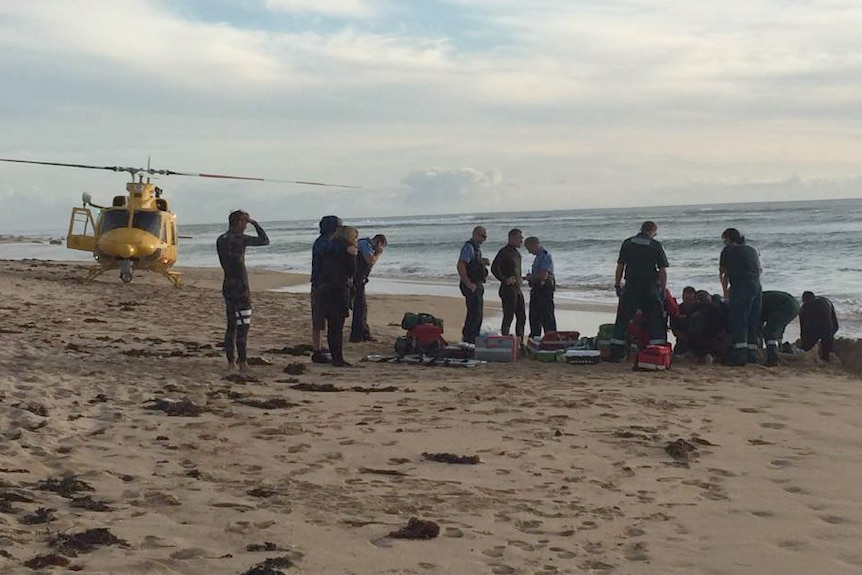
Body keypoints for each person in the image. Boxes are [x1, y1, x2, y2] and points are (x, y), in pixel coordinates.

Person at [216, 210, 270, 373]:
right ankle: (243, 361)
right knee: (243, 325)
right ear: (240, 222)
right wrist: (256, 224)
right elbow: (264, 240)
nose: (246, 226)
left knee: (231, 325)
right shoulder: (240, 238)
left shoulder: (221, 239)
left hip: (228, 283)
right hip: (240, 285)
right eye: (245, 223)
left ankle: (231, 361)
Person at [609, 221, 669, 361]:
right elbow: (662, 271)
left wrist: (617, 284)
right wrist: (663, 290)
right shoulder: (655, 245)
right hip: (649, 286)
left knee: (623, 319)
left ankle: (616, 352)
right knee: (655, 319)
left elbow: (620, 266)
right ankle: (657, 351)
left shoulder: (628, 243)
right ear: (652, 231)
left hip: (631, 285)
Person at [719, 227, 762, 366]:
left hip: (740, 285)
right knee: (752, 319)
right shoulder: (752, 250)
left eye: (724, 239)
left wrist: (725, 292)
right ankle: (752, 354)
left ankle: (740, 355)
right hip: (756, 285)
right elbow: (760, 269)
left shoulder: (728, 250)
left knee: (739, 319)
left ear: (728, 238)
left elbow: (723, 273)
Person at [319, 225, 359, 367]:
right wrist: (353, 256)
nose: (356, 240)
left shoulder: (328, 247)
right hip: (339, 288)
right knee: (338, 325)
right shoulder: (348, 249)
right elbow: (351, 271)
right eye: (355, 237)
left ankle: (335, 356)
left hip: (325, 287)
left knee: (332, 325)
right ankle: (338, 359)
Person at [310, 216, 344, 364]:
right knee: (321, 320)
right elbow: (339, 249)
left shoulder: (321, 241)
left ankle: (318, 348)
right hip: (322, 285)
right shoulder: (325, 243)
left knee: (319, 319)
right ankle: (317, 350)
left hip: (317, 284)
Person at [349, 234, 388, 343]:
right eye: (382, 246)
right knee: (359, 307)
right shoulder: (365, 245)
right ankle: (358, 336)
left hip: (358, 279)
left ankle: (363, 332)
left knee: (361, 307)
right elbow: (370, 261)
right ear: (379, 242)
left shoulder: (364, 244)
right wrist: (378, 253)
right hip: (356, 279)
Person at [490, 228, 526, 342]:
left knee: (522, 317)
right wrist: (505, 279)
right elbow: (494, 268)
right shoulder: (504, 252)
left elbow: (515, 270)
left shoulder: (516, 253)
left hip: (517, 289)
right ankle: (505, 340)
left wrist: (521, 278)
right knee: (508, 316)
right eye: (520, 238)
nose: (522, 240)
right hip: (507, 289)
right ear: (512, 238)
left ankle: (520, 342)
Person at [457, 226, 489, 344]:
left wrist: (482, 262)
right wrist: (469, 284)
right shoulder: (469, 247)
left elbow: (472, 264)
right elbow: (461, 265)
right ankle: (469, 339)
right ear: (476, 234)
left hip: (477, 283)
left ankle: (472, 339)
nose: (484, 239)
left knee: (477, 314)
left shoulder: (476, 249)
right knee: (474, 314)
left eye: (485, 236)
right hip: (472, 284)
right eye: (483, 236)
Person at [524, 236, 556, 338]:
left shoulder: (544, 256)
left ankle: (551, 339)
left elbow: (543, 275)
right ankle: (536, 338)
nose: (529, 252)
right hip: (537, 289)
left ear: (534, 245)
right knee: (535, 317)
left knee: (546, 317)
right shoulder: (538, 257)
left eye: (529, 248)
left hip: (544, 289)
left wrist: (530, 277)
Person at [760, 290, 800, 367]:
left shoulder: (753, 302)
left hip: (785, 305)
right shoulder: (758, 297)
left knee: (769, 332)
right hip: (793, 304)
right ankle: (780, 350)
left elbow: (757, 327)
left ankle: (773, 359)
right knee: (777, 331)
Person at [799, 291, 839, 361]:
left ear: (804, 299)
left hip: (814, 328)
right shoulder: (826, 301)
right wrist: (832, 333)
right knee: (827, 350)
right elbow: (835, 322)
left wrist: (804, 341)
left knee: (807, 347)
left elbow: (803, 328)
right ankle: (826, 358)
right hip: (828, 327)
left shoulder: (804, 307)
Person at [672, 286, 697, 355]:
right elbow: (674, 329)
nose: (688, 301)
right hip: (682, 340)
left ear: (695, 299)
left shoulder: (700, 309)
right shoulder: (677, 310)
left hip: (698, 340)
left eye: (691, 299)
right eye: (686, 299)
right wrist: (685, 338)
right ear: (682, 297)